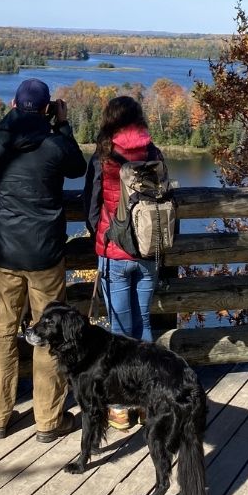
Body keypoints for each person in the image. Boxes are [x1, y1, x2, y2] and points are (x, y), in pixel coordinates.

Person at [0, 77, 87, 441]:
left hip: (6, 252)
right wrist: (62, 123)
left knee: (2, 332)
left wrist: (13, 120)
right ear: (47, 108)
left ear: (14, 104)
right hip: (45, 254)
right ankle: (48, 419)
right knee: (49, 334)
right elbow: (78, 167)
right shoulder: (56, 145)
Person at [82, 94, 164, 430]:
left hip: (114, 253)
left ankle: (118, 406)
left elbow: (90, 204)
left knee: (119, 331)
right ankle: (147, 400)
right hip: (147, 252)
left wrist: (97, 235)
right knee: (144, 327)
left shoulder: (103, 156)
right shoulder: (153, 153)